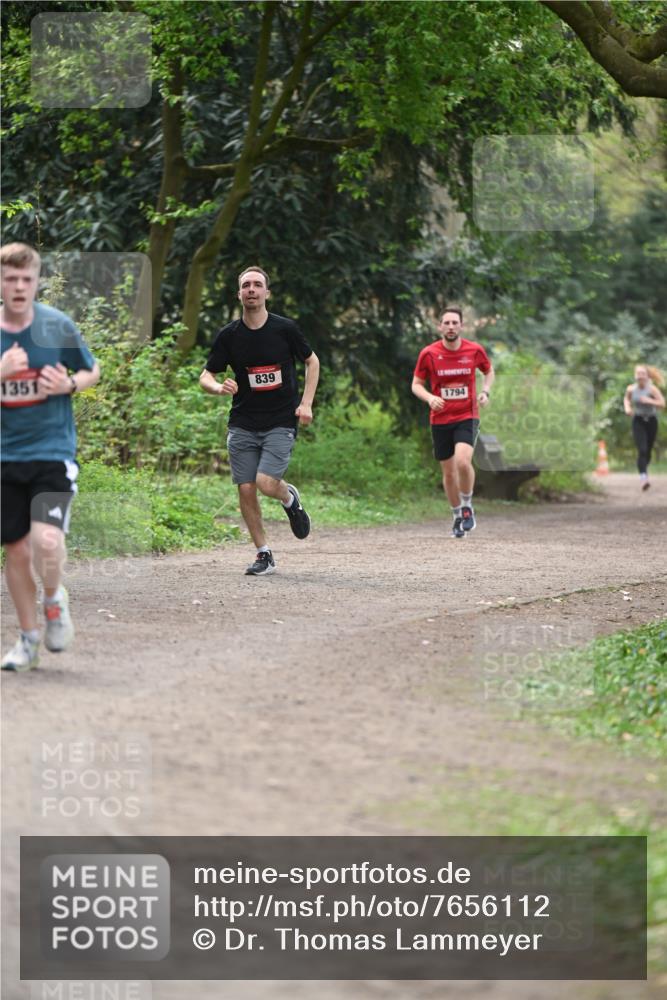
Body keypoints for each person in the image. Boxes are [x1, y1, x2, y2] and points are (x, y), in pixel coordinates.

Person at [1, 243, 100, 671]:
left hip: (53, 453)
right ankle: (28, 638)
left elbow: (92, 371)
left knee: (46, 540)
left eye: (26, 279)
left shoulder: (56, 325)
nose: (19, 286)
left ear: (37, 281)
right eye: (10, 278)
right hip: (4, 458)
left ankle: (54, 600)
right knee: (18, 551)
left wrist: (70, 386)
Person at [200, 266, 320, 575]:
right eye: (246, 285)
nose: (251, 289)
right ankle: (263, 553)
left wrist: (306, 403)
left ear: (266, 292)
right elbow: (206, 375)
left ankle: (289, 498)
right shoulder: (229, 335)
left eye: (257, 285)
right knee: (246, 488)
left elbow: (311, 360)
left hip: (281, 418)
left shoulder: (285, 329)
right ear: (238, 294)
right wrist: (217, 387)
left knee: (267, 484)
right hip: (242, 421)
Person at [412, 306, 494, 538]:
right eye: (446, 323)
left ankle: (467, 506)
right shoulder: (428, 354)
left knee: (462, 462)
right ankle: (457, 515)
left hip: (467, 415)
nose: (450, 327)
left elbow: (489, 371)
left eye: (454, 323)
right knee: (448, 473)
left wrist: (486, 392)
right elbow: (416, 384)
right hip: (440, 418)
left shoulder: (474, 350)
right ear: (440, 327)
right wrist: (430, 398)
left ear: (461, 326)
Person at [623, 364, 665, 490]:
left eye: (643, 374)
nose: (640, 376)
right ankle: (643, 477)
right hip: (638, 420)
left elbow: (662, 403)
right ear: (635, 375)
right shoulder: (631, 389)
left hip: (651, 421)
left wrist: (649, 401)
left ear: (647, 376)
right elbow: (626, 399)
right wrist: (628, 408)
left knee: (648, 451)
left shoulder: (652, 390)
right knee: (642, 449)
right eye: (638, 373)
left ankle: (643, 468)